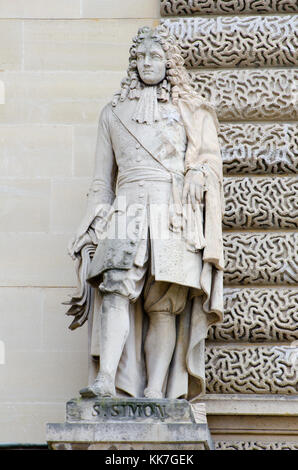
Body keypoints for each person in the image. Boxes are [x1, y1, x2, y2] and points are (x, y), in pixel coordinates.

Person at [67, 25, 224, 402]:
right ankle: (107, 378)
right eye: (141, 57)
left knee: (164, 304)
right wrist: (91, 224)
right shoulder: (112, 113)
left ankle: (157, 391)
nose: (147, 63)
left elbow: (209, 161)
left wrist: (200, 174)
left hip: (173, 213)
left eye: (154, 56)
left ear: (169, 62)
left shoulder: (191, 110)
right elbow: (101, 180)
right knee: (116, 290)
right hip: (126, 208)